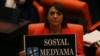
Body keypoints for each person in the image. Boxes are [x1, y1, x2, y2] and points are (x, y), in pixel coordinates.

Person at [19, 2, 85, 56]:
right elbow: (33, 53)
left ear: (63, 17)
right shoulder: (38, 33)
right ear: (47, 17)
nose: (55, 16)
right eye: (52, 13)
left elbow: (81, 54)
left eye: (58, 14)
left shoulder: (73, 34)